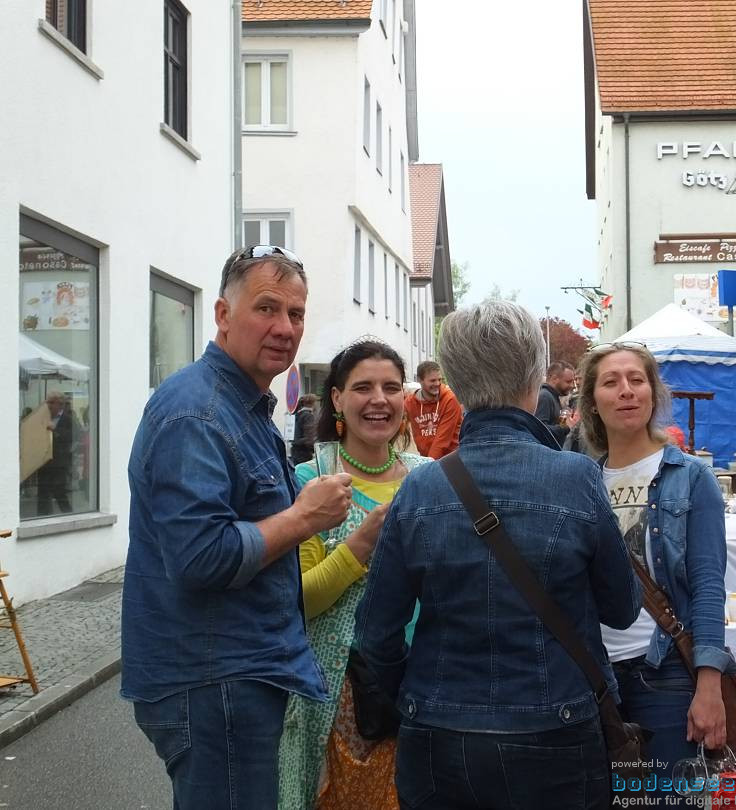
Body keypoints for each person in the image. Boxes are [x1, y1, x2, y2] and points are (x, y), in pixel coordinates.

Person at [356, 301, 641, 810]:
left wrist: (418, 695)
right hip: (556, 727)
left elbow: (376, 634)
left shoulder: (419, 490)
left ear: (457, 386)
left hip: (437, 733)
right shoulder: (577, 479)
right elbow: (622, 609)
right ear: (534, 379)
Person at [122, 245, 355, 810]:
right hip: (213, 680)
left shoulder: (240, 404)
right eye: (267, 309)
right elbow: (203, 556)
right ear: (223, 316)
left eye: (296, 314)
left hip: (230, 673)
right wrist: (303, 518)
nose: (284, 328)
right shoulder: (197, 413)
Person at [278, 340, 430, 810]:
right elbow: (300, 600)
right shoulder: (310, 481)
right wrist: (361, 544)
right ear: (338, 399)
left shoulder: (430, 478)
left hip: (423, 685)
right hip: (341, 697)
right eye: (363, 387)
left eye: (390, 387)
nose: (379, 399)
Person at [578, 341, 729, 803]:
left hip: (663, 673)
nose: (626, 391)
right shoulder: (579, 481)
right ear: (592, 402)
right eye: (611, 382)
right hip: (593, 680)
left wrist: (709, 684)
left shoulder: (690, 477)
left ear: (652, 393)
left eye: (636, 380)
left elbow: (707, 585)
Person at [402, 361, 463, 459]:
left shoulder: (450, 400)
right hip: (427, 458)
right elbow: (398, 425)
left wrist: (427, 466)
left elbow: (442, 440)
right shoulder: (410, 403)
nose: (438, 383)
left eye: (440, 380)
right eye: (433, 380)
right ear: (420, 380)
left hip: (451, 460)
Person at [37, 390, 75, 515]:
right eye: (48, 402)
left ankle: (69, 517)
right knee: (43, 494)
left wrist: (56, 430)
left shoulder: (68, 419)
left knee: (60, 494)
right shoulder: (44, 418)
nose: (48, 405)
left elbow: (72, 436)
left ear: (60, 404)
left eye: (51, 403)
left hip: (59, 464)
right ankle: (41, 518)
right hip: (44, 463)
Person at [534, 360, 576, 444]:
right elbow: (539, 429)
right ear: (554, 379)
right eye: (568, 381)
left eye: (573, 381)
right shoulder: (545, 396)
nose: (572, 386)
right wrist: (566, 427)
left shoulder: (553, 396)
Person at [291, 393, 318, 465]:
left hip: (295, 451)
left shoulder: (297, 415)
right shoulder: (308, 416)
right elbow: (310, 437)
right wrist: (315, 450)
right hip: (304, 453)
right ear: (313, 403)